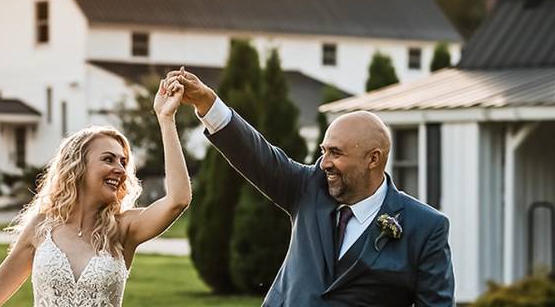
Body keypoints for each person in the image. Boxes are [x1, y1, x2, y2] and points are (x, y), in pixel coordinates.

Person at [166, 69, 454, 307]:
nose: (325, 163)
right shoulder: (308, 188)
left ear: (373, 159)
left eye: (336, 153)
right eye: (324, 150)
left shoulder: (425, 228)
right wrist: (207, 102)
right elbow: (259, 157)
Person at [0, 75, 191, 306]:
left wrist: (166, 118)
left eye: (123, 162)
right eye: (109, 159)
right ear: (78, 167)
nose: (120, 169)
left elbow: (178, 199)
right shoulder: (41, 227)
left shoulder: (123, 228)